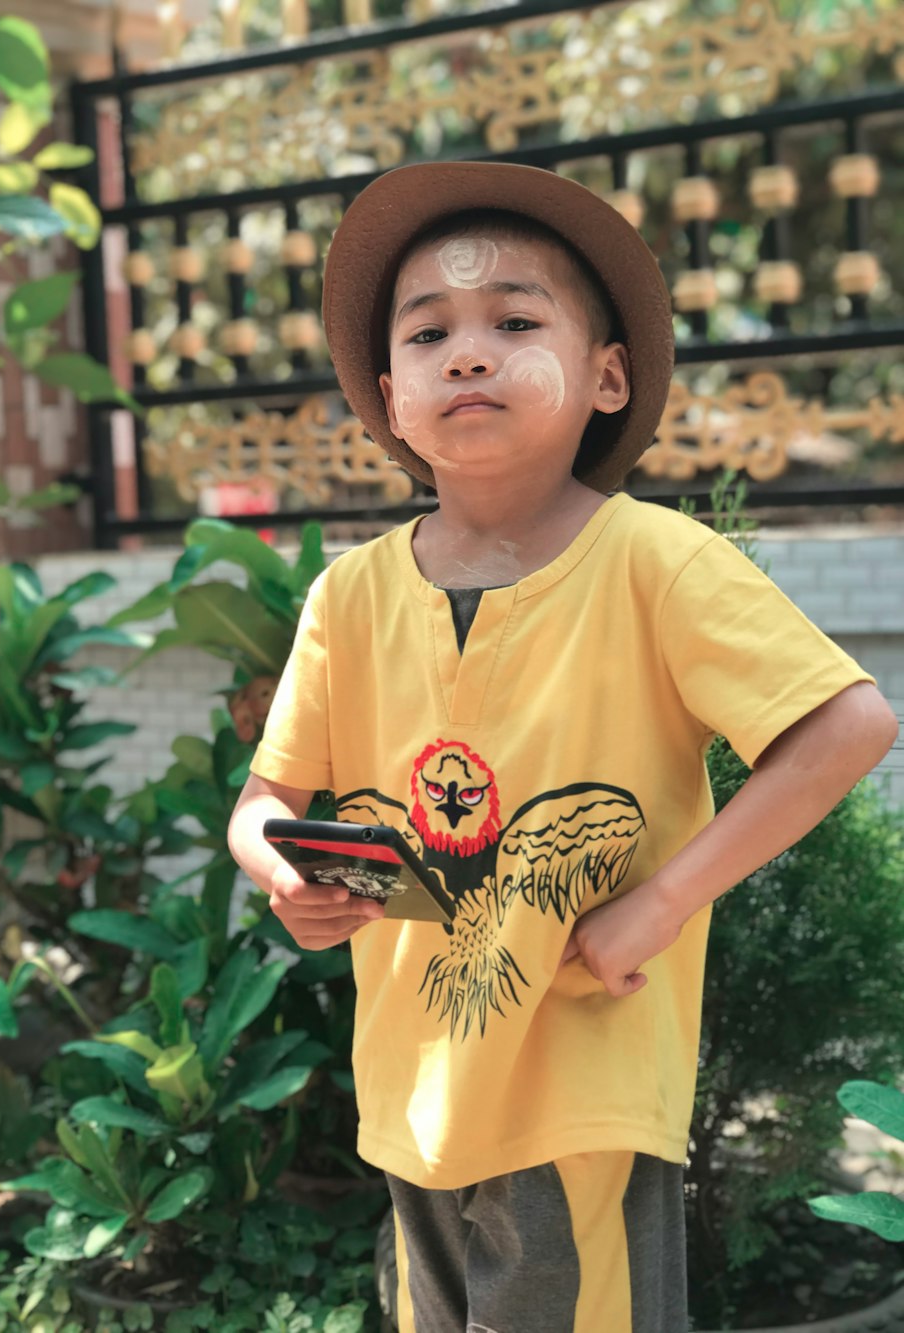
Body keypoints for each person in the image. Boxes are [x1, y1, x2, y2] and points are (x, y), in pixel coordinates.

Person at [228, 161, 898, 1333]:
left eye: (514, 321)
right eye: (430, 332)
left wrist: (666, 900)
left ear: (606, 376)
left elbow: (847, 725)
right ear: (391, 398)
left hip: (582, 1082)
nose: (469, 352)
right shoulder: (348, 597)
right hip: (412, 1088)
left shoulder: (657, 563)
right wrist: (279, 868)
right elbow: (266, 796)